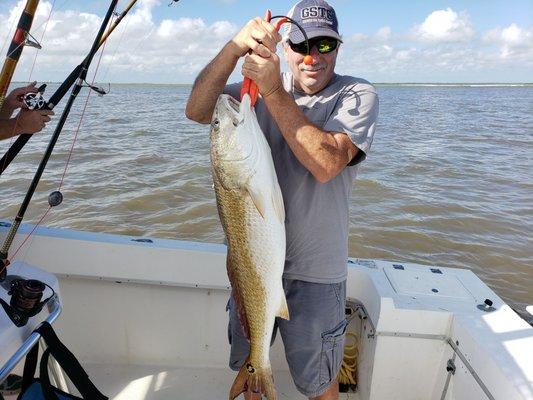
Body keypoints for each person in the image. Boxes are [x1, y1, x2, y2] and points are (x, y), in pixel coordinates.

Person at [186, 0, 378, 398]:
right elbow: (198, 109)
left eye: (324, 45)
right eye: (301, 45)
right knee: (250, 361)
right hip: (249, 264)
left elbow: (326, 164)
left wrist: (273, 88)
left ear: (338, 48)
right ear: (285, 48)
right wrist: (235, 47)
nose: (312, 57)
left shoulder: (355, 95)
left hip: (316, 273)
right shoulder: (251, 94)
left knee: (320, 382)